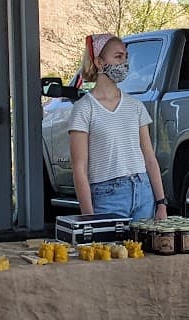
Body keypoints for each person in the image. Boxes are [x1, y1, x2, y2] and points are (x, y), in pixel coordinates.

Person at [67, 33, 170, 221]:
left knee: (142, 242)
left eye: (125, 57)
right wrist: (89, 217)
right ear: (99, 62)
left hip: (143, 191)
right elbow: (79, 168)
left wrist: (161, 203)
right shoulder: (84, 109)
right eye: (118, 56)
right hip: (107, 196)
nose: (124, 63)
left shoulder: (135, 106)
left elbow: (149, 158)